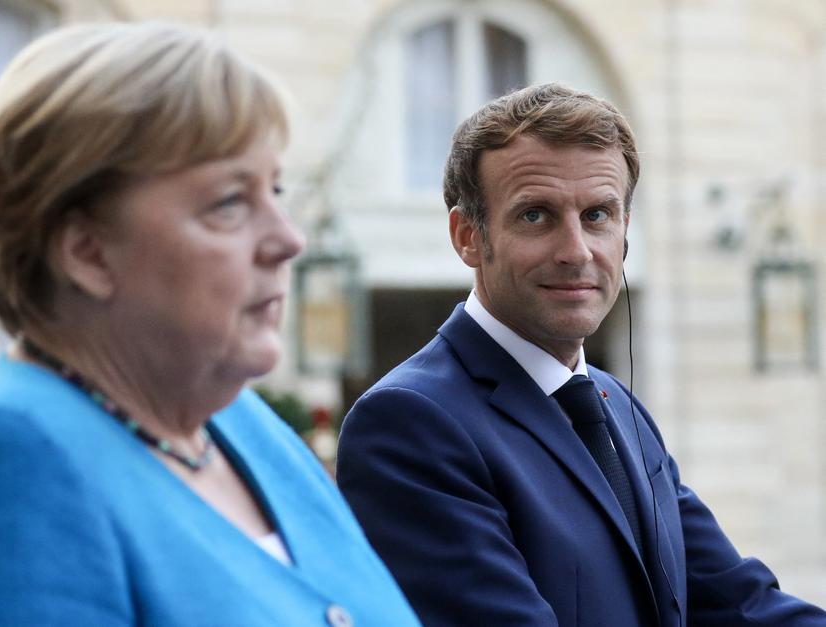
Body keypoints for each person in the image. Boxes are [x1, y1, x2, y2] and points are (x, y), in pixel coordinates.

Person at [0, 22, 420, 626]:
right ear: (87, 251)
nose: (288, 239)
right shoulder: (8, 463)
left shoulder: (239, 422)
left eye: (275, 189)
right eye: (229, 202)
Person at [336, 83, 826, 626]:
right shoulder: (409, 423)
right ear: (467, 236)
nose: (576, 251)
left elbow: (741, 606)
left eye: (597, 215)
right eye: (536, 216)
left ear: (625, 232)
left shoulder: (618, 407)